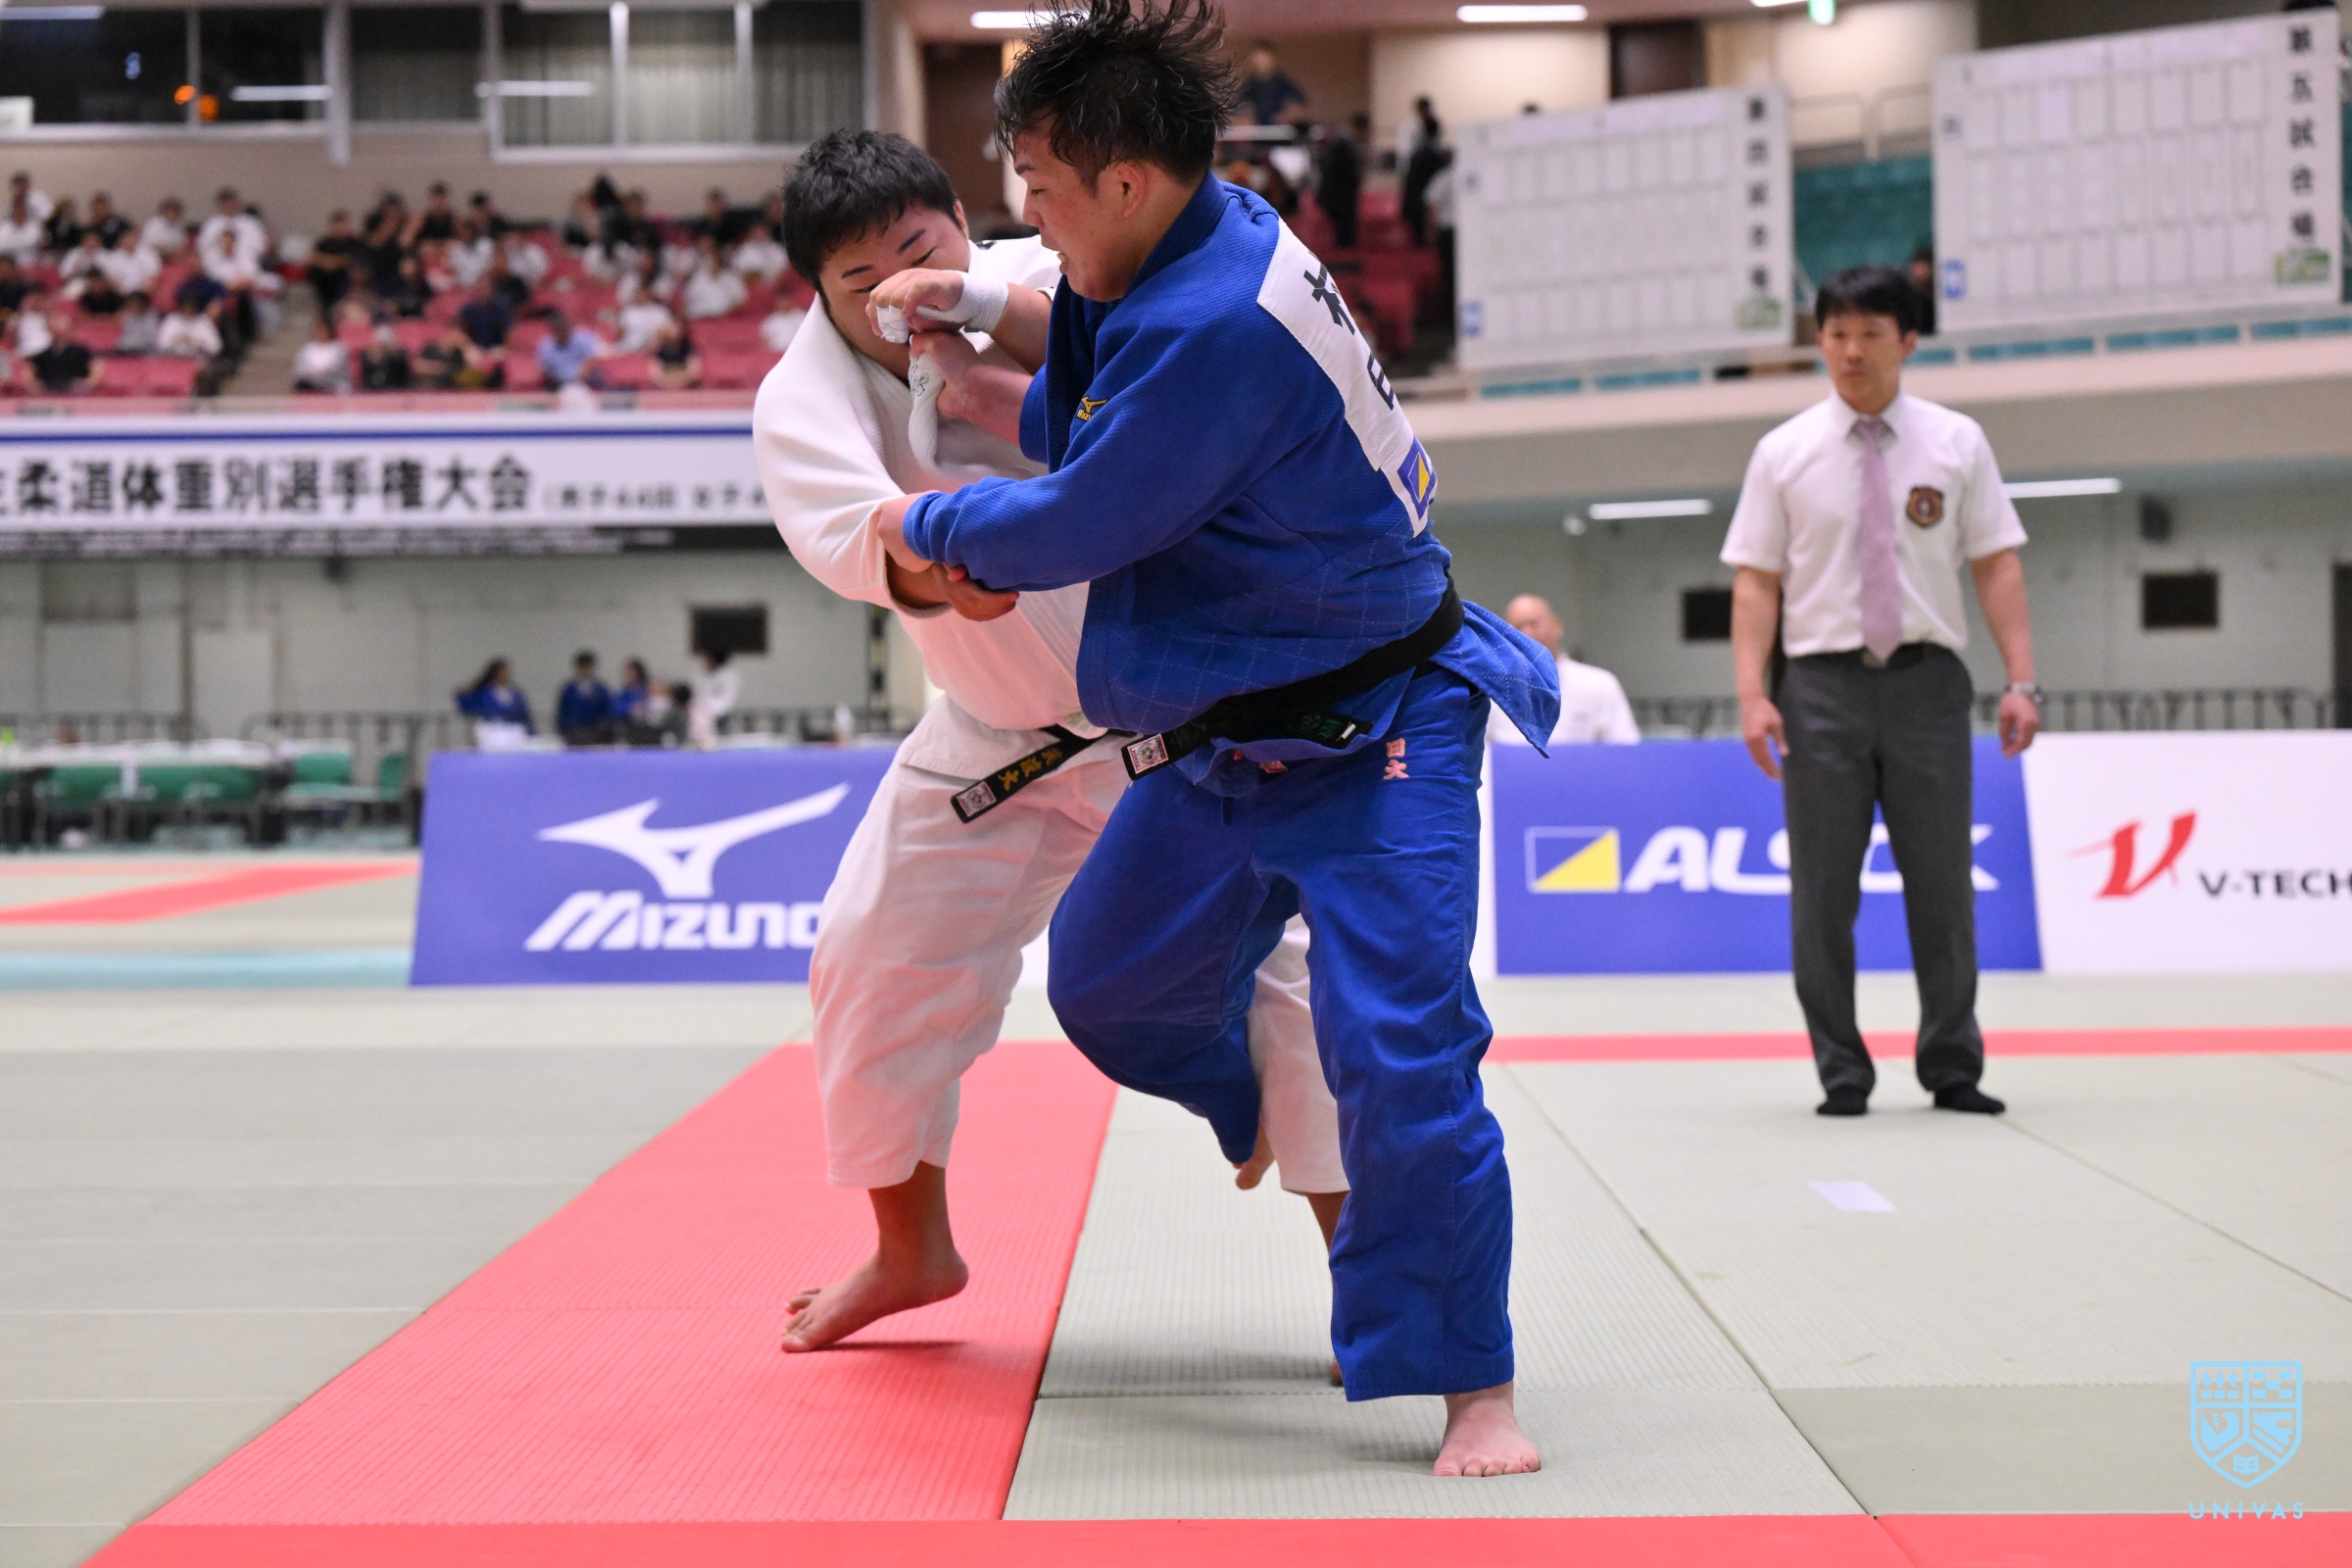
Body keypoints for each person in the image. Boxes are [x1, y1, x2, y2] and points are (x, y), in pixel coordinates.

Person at [873, 1, 1557, 1477]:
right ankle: (1246, 1099)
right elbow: (1106, 386)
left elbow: (1083, 513)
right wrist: (981, 309)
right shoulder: (1207, 231)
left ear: (1124, 180)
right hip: (1228, 736)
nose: (1030, 224)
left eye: (1038, 193)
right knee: (1107, 982)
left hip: (1382, 727)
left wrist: (918, 522)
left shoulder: (1218, 325)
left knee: (1401, 1049)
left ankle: (1474, 1386)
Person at [753, 125, 1348, 1361]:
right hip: (992, 740)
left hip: (1181, 730)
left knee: (1296, 979)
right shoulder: (803, 394)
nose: (900, 292)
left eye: (920, 249)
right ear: (818, 295)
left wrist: (996, 365)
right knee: (869, 954)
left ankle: (1377, 1276)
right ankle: (911, 1249)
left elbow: (1168, 400)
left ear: (962, 225)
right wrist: (938, 566)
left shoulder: (1054, 280)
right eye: (861, 282)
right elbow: (857, 535)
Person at [1722, 264, 2039, 1119]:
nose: (1851, 351)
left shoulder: (1957, 442)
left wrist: (2023, 680)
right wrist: (1752, 693)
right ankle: (1842, 1070)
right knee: (1822, 894)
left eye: (1869, 334)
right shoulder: (1783, 452)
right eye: (1836, 335)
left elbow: (1997, 564)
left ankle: (1952, 1064)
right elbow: (1755, 581)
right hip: (1818, 687)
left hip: (1927, 685)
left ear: (1908, 341)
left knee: (1944, 887)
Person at [1494, 595, 1638, 745]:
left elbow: (1625, 748)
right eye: (1517, 628)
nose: (1527, 633)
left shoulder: (1600, 684)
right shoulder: (1491, 691)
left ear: (1556, 626)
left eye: (1533, 624)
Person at [1315, 113, 1364, 249]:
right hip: (1340, 192)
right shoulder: (1342, 144)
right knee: (1343, 223)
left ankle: (1344, 245)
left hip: (1338, 191)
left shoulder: (1340, 143)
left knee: (1343, 225)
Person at [1399, 95, 1445, 246]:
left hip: (1424, 168)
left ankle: (1425, 236)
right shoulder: (1410, 127)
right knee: (1420, 207)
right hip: (1420, 168)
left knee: (1426, 206)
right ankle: (1421, 237)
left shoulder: (1433, 125)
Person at [454, 658, 533, 740]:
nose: (505, 676)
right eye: (502, 673)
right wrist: (462, 693)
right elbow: (467, 707)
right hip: (491, 729)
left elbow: (523, 713)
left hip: (511, 728)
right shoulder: (484, 693)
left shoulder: (514, 693)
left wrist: (530, 731)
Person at [24, 313, 101, 394]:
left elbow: (96, 367)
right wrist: (35, 386)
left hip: (76, 393)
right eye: (53, 326)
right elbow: (29, 374)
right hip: (50, 393)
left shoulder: (81, 350)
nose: (56, 328)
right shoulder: (43, 354)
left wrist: (87, 384)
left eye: (59, 324)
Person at [1239, 39, 1306, 125]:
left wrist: (1287, 116)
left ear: (1272, 58)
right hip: (1258, 130)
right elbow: (1242, 108)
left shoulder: (1282, 82)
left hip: (1279, 130)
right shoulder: (1249, 84)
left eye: (1264, 59)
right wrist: (1246, 118)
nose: (1260, 63)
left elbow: (1299, 104)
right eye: (1257, 59)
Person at [556, 651, 613, 745]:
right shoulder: (569, 689)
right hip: (574, 732)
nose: (585, 670)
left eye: (588, 667)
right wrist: (563, 730)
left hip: (595, 732)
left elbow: (607, 710)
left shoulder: (600, 689)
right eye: (583, 667)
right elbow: (563, 711)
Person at [536, 311, 606, 389]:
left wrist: (581, 376)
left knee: (598, 379)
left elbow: (592, 359)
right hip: (559, 383)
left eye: (562, 329)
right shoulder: (546, 345)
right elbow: (544, 370)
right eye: (556, 330)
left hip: (584, 379)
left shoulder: (581, 338)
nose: (560, 333)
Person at [686, 647, 739, 748]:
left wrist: (708, 706)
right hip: (700, 709)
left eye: (706, 659)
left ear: (713, 659)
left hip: (717, 713)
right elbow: (695, 694)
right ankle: (696, 740)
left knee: (702, 713)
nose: (704, 662)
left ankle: (708, 742)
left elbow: (727, 700)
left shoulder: (728, 676)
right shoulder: (702, 675)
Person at [291, 318, 352, 393]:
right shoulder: (307, 348)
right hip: (310, 382)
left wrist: (320, 374)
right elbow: (300, 368)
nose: (321, 333)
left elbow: (338, 368)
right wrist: (310, 374)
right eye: (318, 330)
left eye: (323, 330)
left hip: (332, 382)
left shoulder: (338, 348)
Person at [156, 297, 223, 360]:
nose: (188, 311)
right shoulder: (172, 320)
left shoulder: (204, 321)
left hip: (198, 359)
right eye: (186, 308)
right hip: (172, 359)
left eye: (191, 308)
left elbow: (216, 348)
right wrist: (176, 339)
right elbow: (160, 345)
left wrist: (197, 342)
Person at [457, 275, 513, 350]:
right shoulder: (468, 310)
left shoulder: (501, 310)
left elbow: (507, 334)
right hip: (474, 347)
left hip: (495, 348)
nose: (482, 291)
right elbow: (461, 331)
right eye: (479, 288)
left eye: (485, 289)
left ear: (491, 290)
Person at [361, 322, 415, 391]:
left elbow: (404, 377)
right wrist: (375, 359)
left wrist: (393, 354)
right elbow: (367, 379)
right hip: (373, 391)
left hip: (397, 390)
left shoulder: (400, 356)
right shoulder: (367, 356)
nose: (383, 347)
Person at [651, 318, 701, 389]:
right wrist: (669, 383)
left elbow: (694, 373)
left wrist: (679, 382)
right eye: (671, 329)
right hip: (665, 387)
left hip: (686, 387)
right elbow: (656, 375)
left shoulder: (689, 348)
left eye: (676, 328)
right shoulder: (660, 349)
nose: (674, 331)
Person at [1906, 243, 1938, 338]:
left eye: (1923, 268)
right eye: (1917, 268)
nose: (1920, 272)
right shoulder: (1906, 292)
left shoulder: (1937, 294)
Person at [116, 292, 162, 356]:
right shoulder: (129, 318)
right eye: (131, 304)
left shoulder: (153, 318)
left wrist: (130, 345)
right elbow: (124, 339)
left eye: (136, 303)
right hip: (128, 351)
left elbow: (150, 340)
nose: (134, 306)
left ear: (144, 304)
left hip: (145, 353)